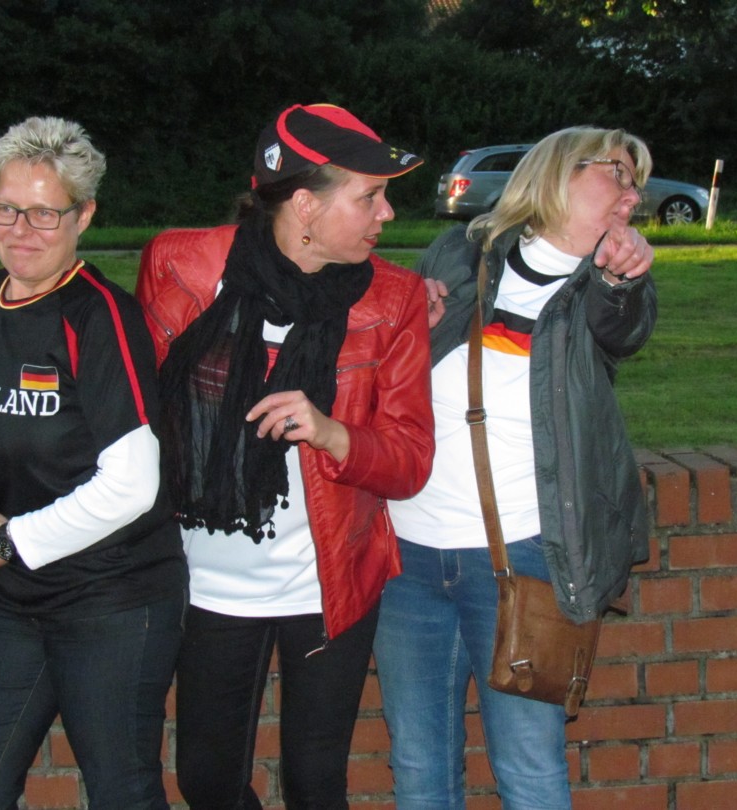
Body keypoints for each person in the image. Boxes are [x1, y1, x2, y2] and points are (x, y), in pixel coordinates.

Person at [134, 102, 435, 808]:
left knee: (315, 782)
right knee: (206, 780)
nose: (387, 213)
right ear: (304, 204)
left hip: (326, 582)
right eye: (369, 196)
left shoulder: (395, 298)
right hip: (206, 582)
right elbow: (140, 409)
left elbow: (410, 460)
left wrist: (332, 434)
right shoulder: (179, 265)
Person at [0, 116, 187, 810]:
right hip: (16, 602)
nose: (20, 229)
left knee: (121, 792)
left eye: (44, 213)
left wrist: (10, 539)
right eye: (6, 208)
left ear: (83, 216)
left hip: (113, 598)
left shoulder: (100, 318)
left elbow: (134, 484)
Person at [373, 126, 658, 809]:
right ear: (560, 173)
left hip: (526, 558)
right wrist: (409, 320)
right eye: (619, 173)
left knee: (528, 768)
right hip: (408, 554)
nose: (633, 195)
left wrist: (619, 279)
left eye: (638, 183)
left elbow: (623, 328)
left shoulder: (606, 283)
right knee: (417, 761)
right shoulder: (460, 252)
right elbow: (391, 363)